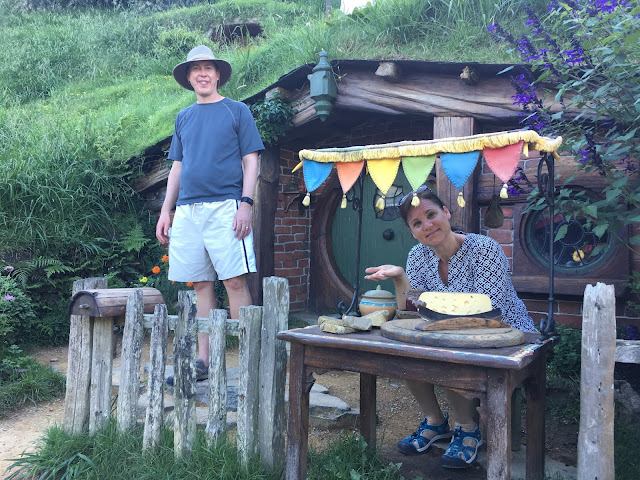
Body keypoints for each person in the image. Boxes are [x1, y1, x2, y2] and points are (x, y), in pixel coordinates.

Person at [364, 185, 537, 469]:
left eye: (431, 215)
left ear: (446, 212)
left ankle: (467, 428)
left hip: (507, 334)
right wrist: (399, 278)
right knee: (407, 349)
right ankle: (435, 421)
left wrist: (435, 320)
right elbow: (412, 313)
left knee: (450, 350)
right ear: (412, 232)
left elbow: (487, 311)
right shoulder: (418, 256)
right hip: (447, 331)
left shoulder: (484, 249)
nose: (427, 225)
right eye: (417, 223)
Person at [156, 45, 264, 383]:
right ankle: (204, 361)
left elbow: (251, 161)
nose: (202, 73)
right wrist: (166, 210)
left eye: (208, 68)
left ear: (218, 75)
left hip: (226, 207)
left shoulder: (237, 111)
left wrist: (246, 203)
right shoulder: (184, 117)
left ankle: (249, 362)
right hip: (188, 211)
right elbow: (177, 167)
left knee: (234, 280)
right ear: (189, 78)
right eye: (196, 68)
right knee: (201, 284)